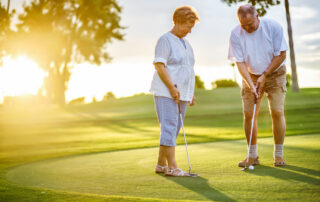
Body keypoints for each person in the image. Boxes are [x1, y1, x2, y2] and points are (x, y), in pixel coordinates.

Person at [228, 4, 288, 167]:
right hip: (251, 75)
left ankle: (278, 155)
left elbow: (281, 54)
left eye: (250, 24)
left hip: (275, 73)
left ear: (257, 17)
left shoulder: (273, 27)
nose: (247, 28)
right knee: (249, 114)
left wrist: (265, 75)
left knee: (277, 111)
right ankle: (252, 156)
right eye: (243, 25)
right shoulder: (235, 34)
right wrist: (250, 83)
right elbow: (240, 63)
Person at [150, 5, 199, 176]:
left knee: (174, 128)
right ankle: (172, 166)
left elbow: (187, 69)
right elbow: (159, 65)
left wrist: (190, 92)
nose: (189, 31)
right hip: (166, 91)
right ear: (177, 22)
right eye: (188, 27)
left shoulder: (186, 44)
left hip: (182, 93)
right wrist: (171, 87)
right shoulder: (165, 40)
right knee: (169, 128)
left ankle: (161, 164)